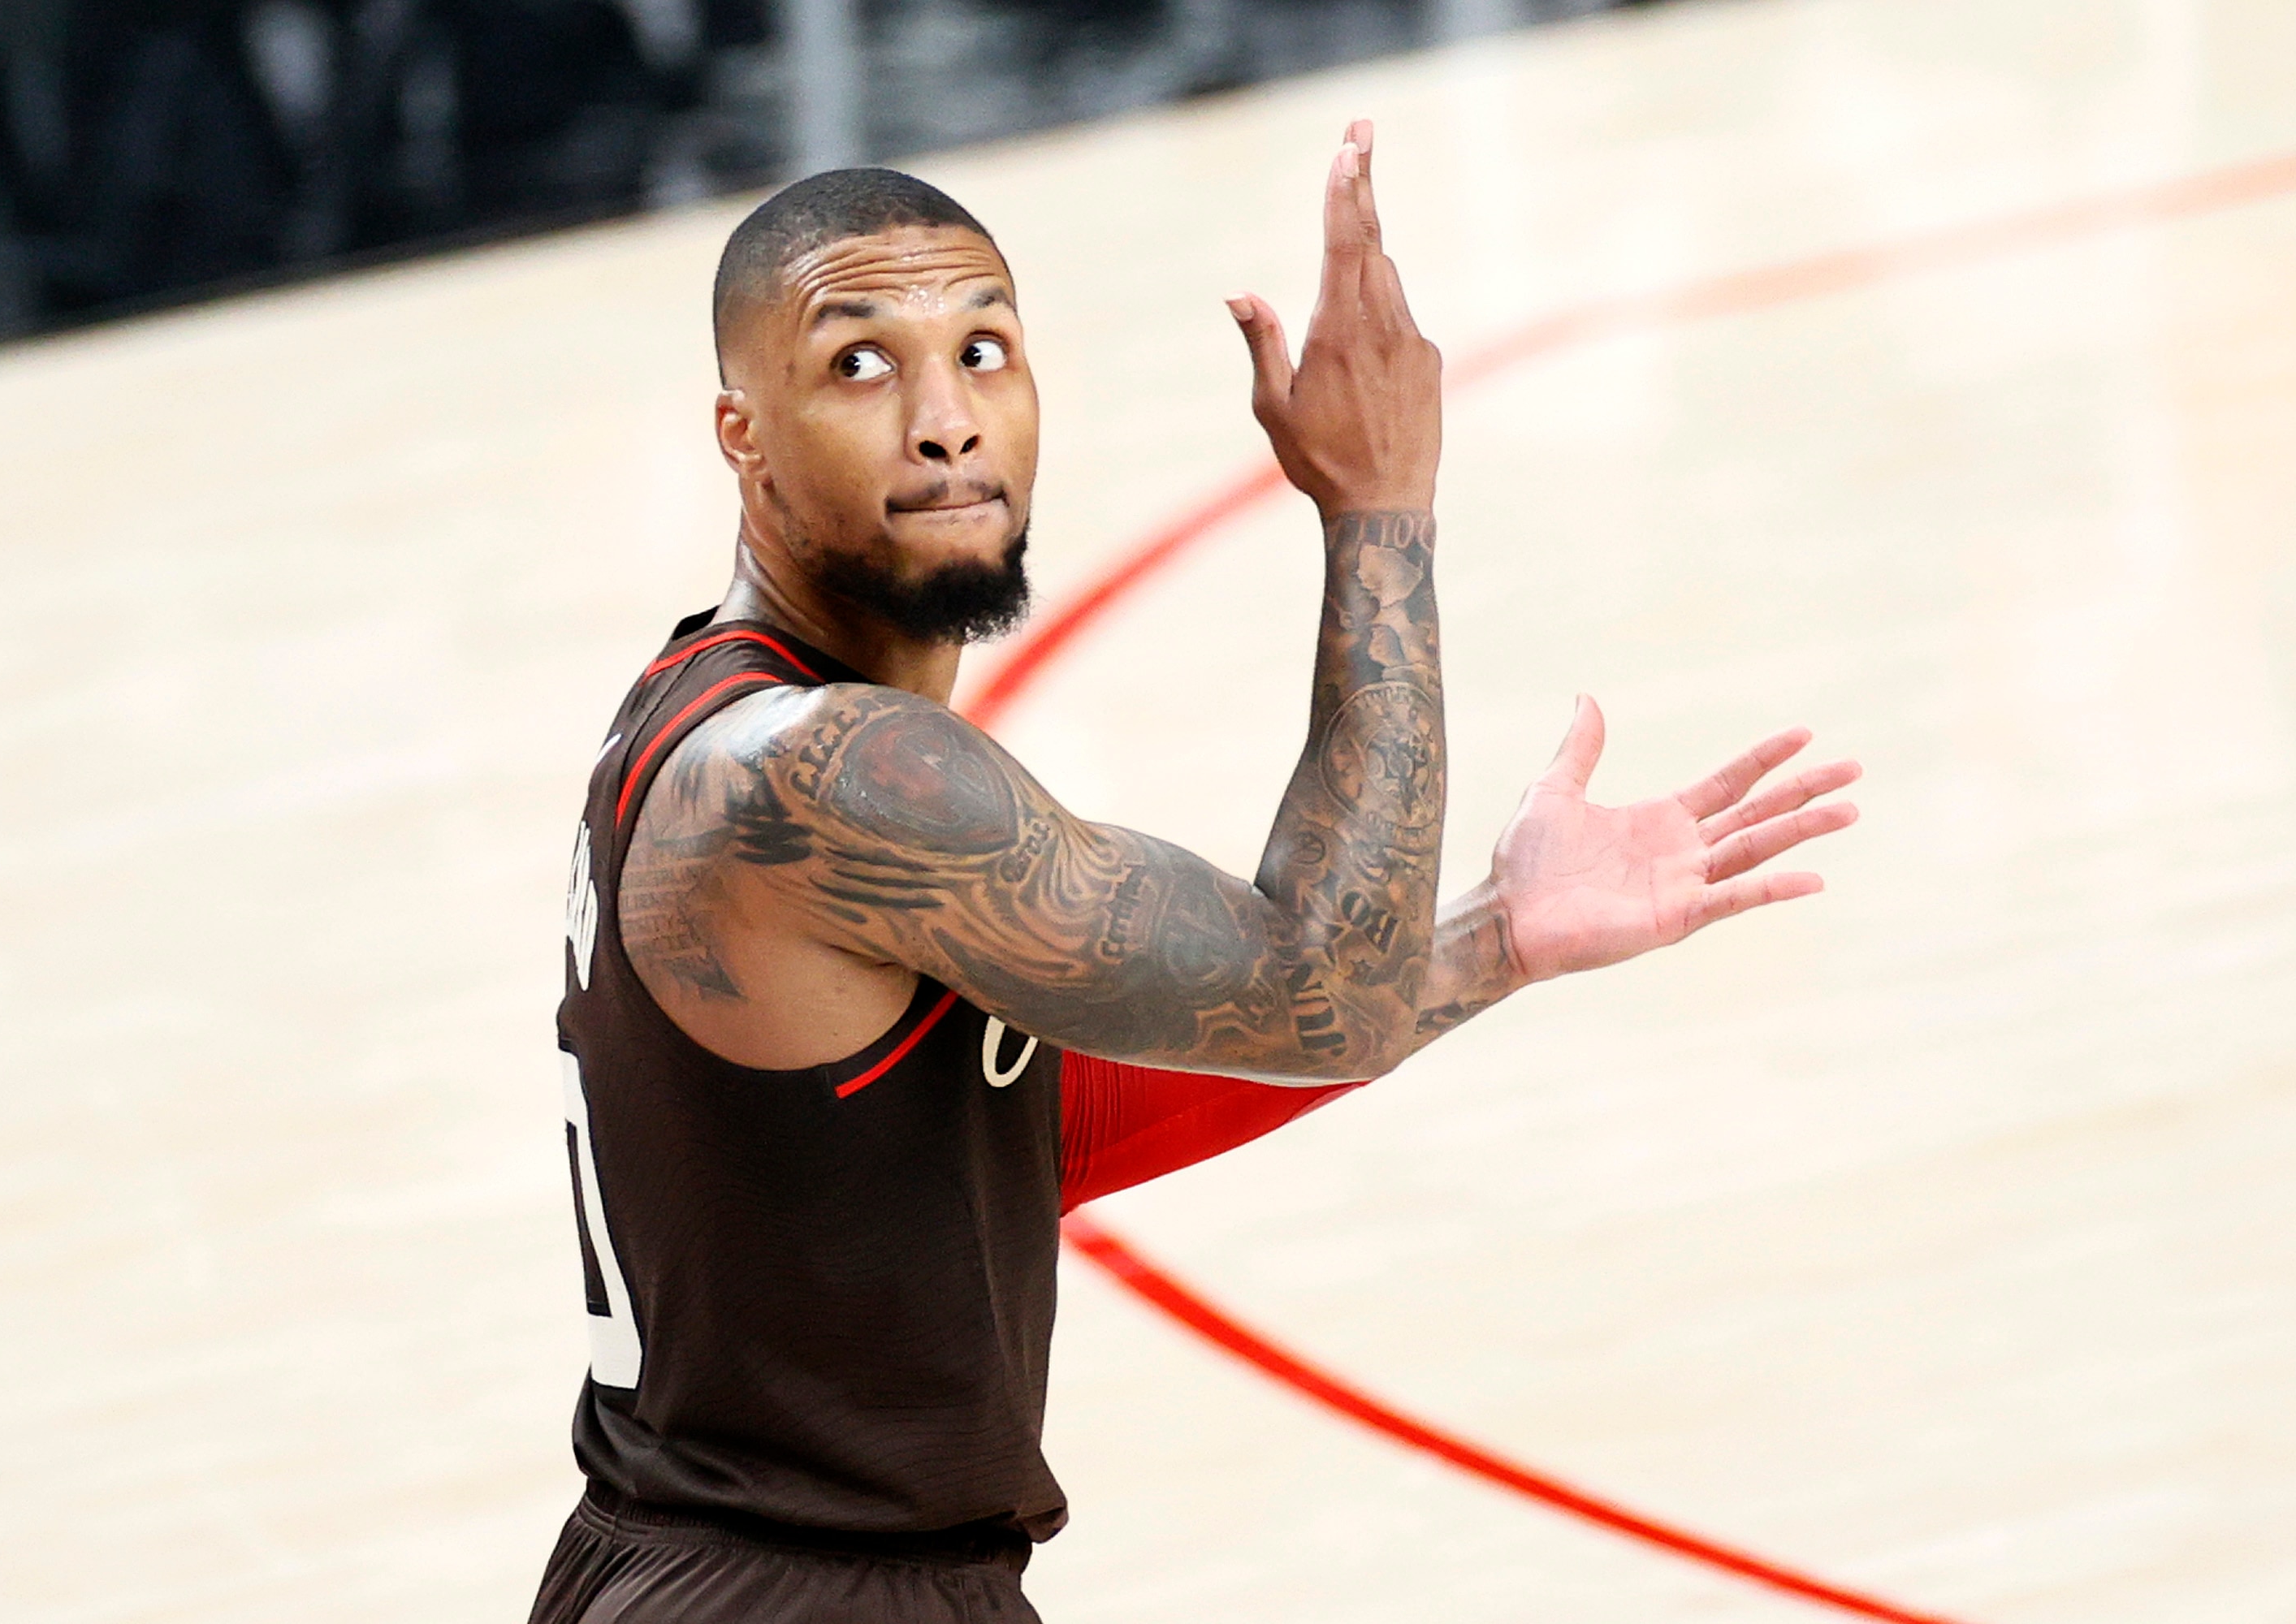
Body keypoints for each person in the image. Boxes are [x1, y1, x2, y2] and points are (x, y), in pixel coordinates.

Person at [531, 121, 1860, 1623]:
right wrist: (1379, 503)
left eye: (984, 352)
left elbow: (1030, 1134)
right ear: (739, 435)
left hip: (702, 1570)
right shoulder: (837, 778)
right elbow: (1319, 988)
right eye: (858, 365)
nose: (944, 420)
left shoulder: (711, 710)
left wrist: (1496, 940)